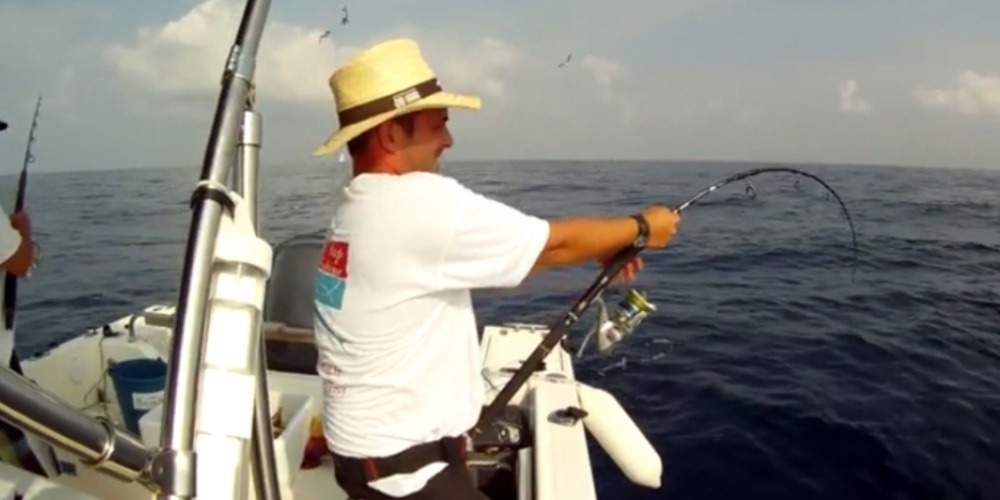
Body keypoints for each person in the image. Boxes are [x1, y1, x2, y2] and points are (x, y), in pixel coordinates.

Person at [311, 38, 681, 500]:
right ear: (390, 135)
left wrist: (598, 249)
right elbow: (557, 244)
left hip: (365, 462)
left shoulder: (355, 211)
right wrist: (644, 227)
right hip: (409, 477)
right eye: (438, 125)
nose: (448, 139)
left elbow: (529, 256)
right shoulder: (417, 202)